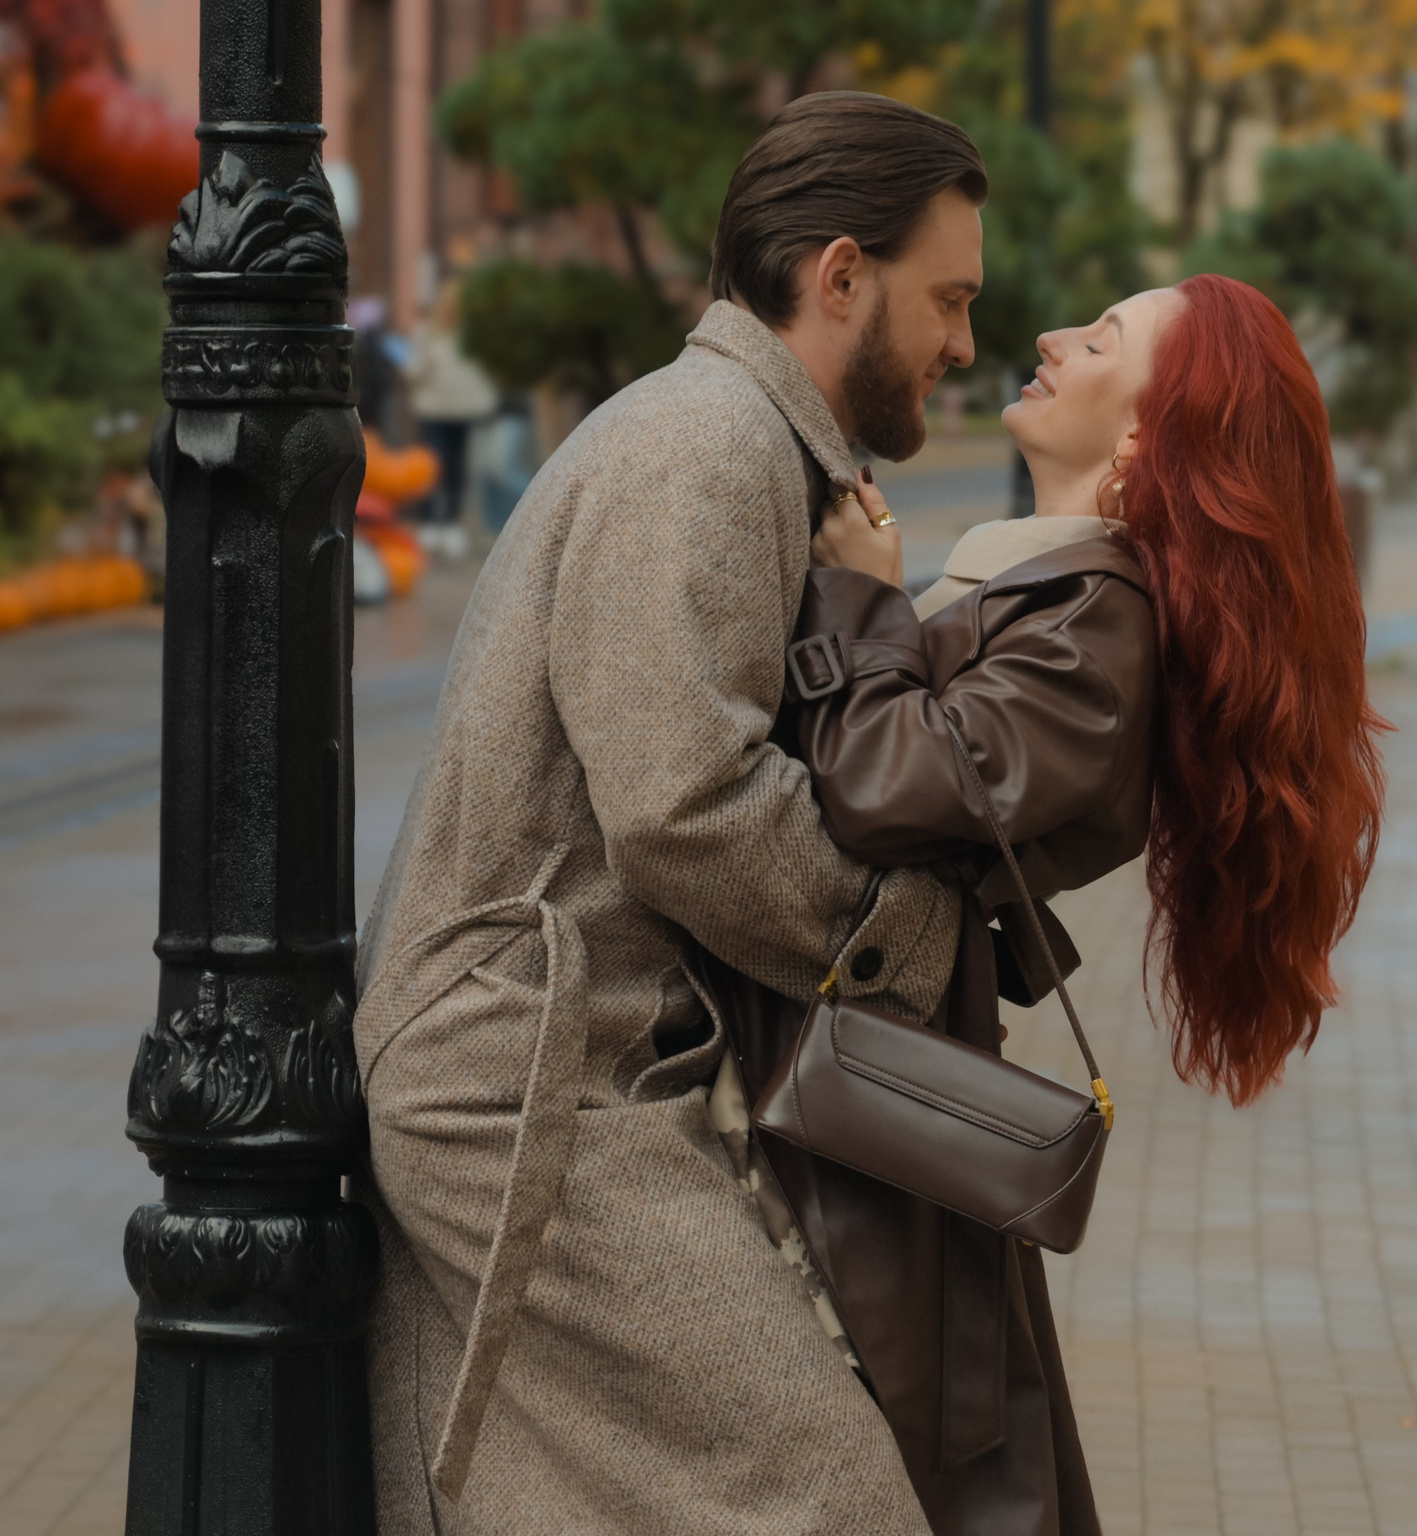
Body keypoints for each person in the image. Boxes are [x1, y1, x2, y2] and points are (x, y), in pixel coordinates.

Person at [352, 93, 990, 1534]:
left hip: (553, 1072)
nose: (962, 343)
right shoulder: (704, 447)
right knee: (830, 1503)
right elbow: (683, 806)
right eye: (946, 299)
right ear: (839, 276)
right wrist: (908, 937)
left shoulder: (737, 444)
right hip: (524, 1089)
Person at [722, 272, 1389, 1535]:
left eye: (1103, 339)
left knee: (944, 1469)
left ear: (1146, 438)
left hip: (880, 1100)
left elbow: (885, 786)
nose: (1049, 337)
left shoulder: (1096, 629)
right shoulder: (1044, 596)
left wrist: (863, 599)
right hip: (870, 1080)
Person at [402, 282, 502, 558]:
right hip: (434, 409)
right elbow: (412, 368)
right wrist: (424, 368)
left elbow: (487, 371)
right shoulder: (427, 333)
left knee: (457, 469)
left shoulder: (473, 335)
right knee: (431, 467)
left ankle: (451, 524)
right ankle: (430, 522)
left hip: (463, 410)